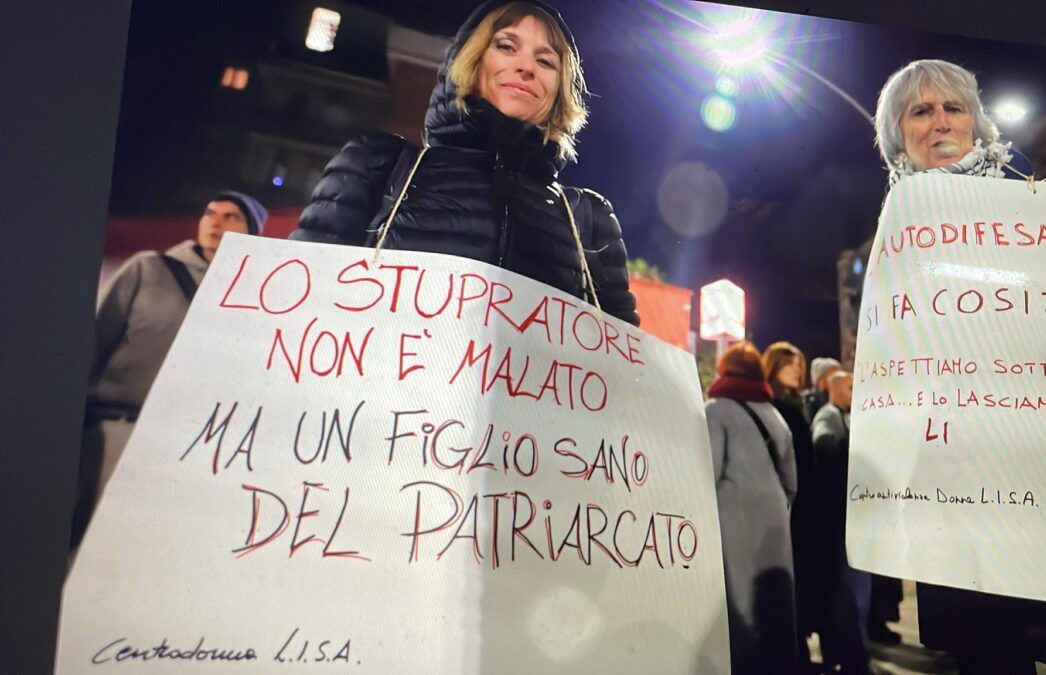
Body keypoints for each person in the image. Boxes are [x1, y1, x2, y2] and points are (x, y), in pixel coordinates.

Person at [873, 58, 1046, 674]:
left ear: (978, 123)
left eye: (954, 107)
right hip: (959, 486)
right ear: (896, 134)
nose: (940, 122)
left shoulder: (1034, 202)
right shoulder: (896, 233)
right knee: (986, 650)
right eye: (921, 111)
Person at [290, 0, 638, 327]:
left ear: (559, 89)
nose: (526, 66)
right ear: (472, 59)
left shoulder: (589, 219)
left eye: (546, 61)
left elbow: (623, 366)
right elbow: (296, 311)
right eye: (506, 46)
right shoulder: (376, 165)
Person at [74, 192, 267, 548]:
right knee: (80, 542)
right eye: (210, 213)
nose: (216, 222)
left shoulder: (256, 295)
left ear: (252, 232)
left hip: (185, 445)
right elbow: (94, 341)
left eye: (232, 216)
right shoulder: (148, 268)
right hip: (115, 430)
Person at [706, 341, 799, 674]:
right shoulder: (773, 414)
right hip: (774, 516)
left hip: (733, 516)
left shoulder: (715, 410)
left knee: (741, 605)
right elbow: (791, 481)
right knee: (775, 604)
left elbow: (709, 471)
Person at [760, 341, 817, 670]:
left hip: (803, 510)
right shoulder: (775, 409)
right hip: (791, 512)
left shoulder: (795, 405)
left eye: (800, 363)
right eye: (790, 363)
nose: (798, 369)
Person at [811, 370, 871, 674]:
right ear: (834, 389)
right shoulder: (830, 416)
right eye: (849, 386)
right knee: (851, 590)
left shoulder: (843, 416)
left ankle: (853, 650)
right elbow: (823, 443)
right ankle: (852, 655)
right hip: (839, 518)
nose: (853, 391)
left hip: (847, 517)